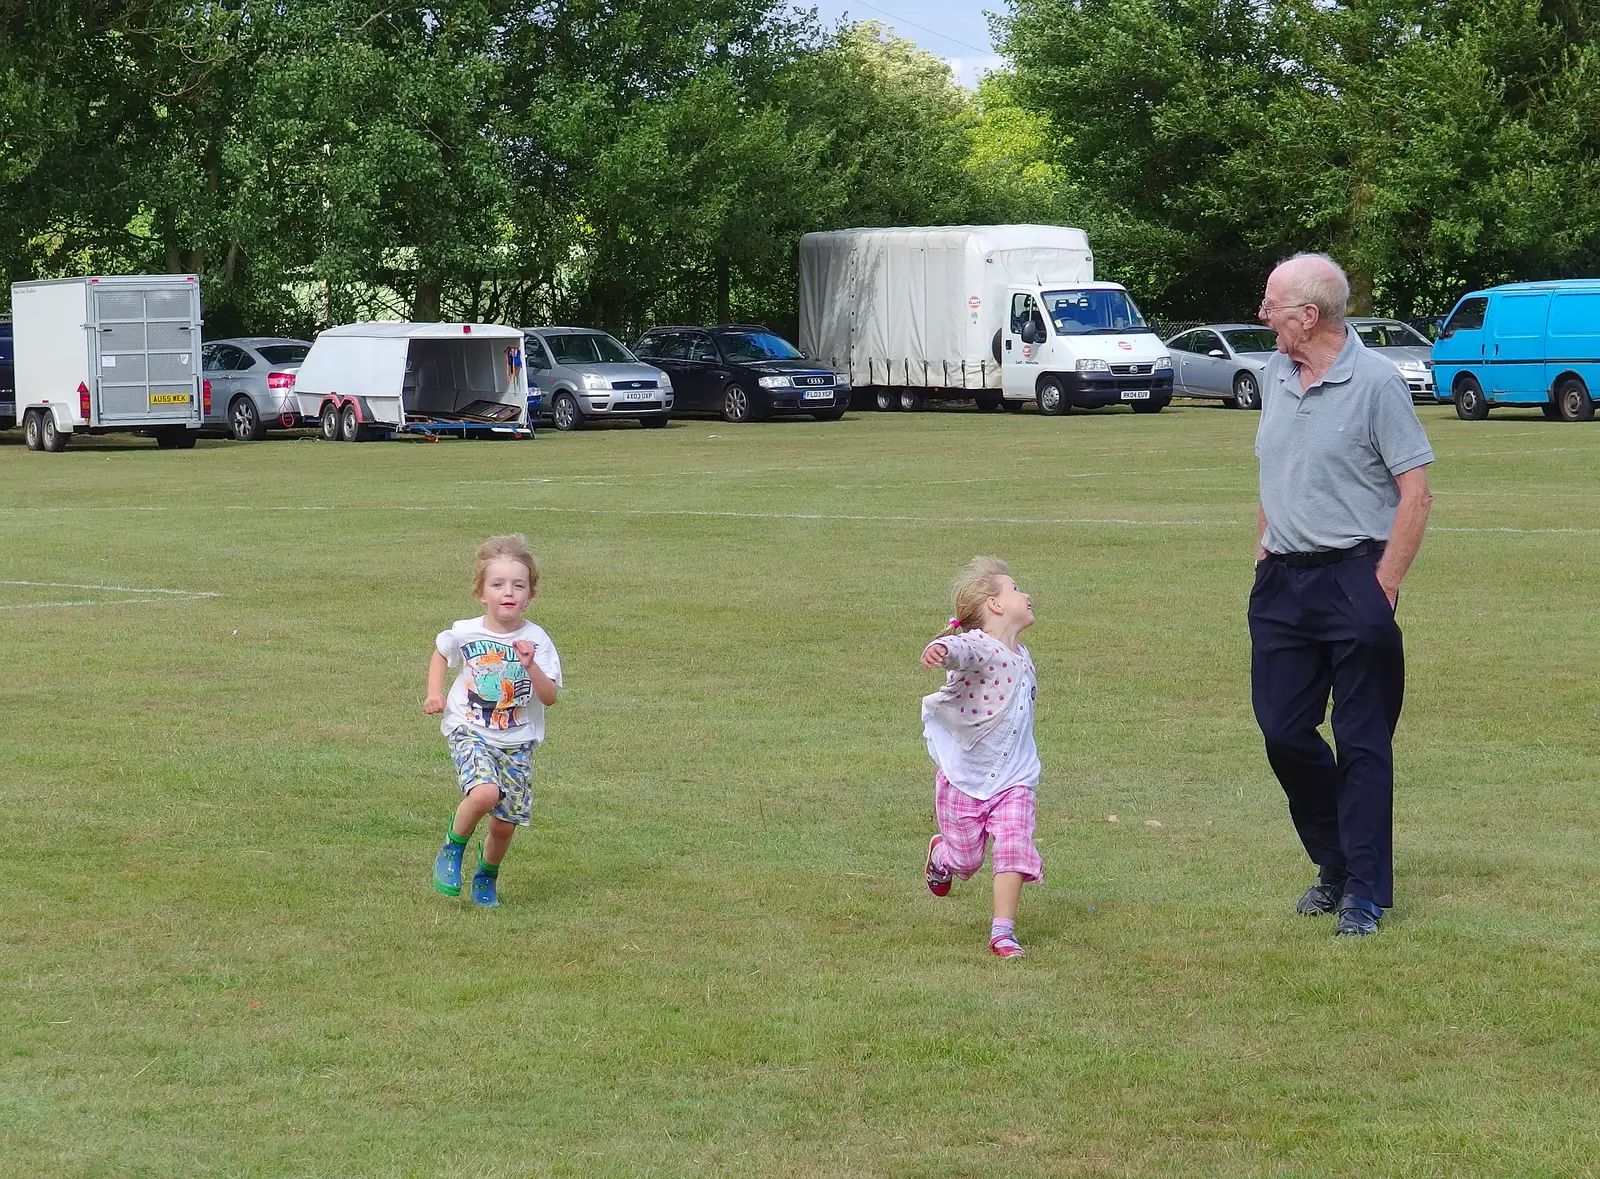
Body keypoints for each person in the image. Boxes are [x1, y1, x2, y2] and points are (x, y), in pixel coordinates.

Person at [1252, 253, 1434, 937]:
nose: (1262, 314)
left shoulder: (1377, 383)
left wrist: (1382, 585)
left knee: (1362, 741)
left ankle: (1363, 891)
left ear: (1309, 315)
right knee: (1283, 730)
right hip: (1282, 584)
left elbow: (1415, 491)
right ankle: (1335, 860)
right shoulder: (1274, 372)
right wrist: (1264, 552)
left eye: (1272, 304)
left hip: (1355, 575)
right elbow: (1278, 469)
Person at [425, 535, 562, 906]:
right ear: (480, 592)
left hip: (517, 740)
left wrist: (531, 665)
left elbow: (549, 696)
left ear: (530, 596)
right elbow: (441, 653)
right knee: (484, 793)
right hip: (470, 729)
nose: (508, 592)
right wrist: (435, 693)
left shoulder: (537, 640)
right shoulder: (466, 631)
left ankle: (486, 875)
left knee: (503, 825)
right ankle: (452, 849)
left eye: (519, 585)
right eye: (498, 584)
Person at [920, 556, 1042, 959]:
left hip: (1014, 778)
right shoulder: (979, 647)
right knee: (966, 860)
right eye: (1015, 589)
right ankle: (942, 855)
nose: (1025, 594)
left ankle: (1002, 932)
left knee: (1014, 844)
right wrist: (941, 648)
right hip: (966, 779)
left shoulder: (1023, 656)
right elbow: (960, 650)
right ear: (995, 605)